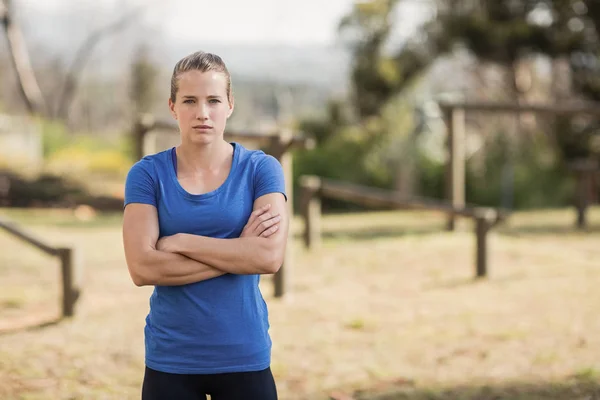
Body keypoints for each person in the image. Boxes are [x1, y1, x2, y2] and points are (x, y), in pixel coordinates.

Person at [122, 50, 288, 400]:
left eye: (213, 100)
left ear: (229, 104)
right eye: (190, 101)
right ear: (172, 107)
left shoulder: (262, 170)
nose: (202, 113)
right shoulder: (147, 175)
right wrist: (239, 251)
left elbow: (269, 258)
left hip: (244, 355)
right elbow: (141, 267)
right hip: (171, 360)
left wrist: (181, 240)